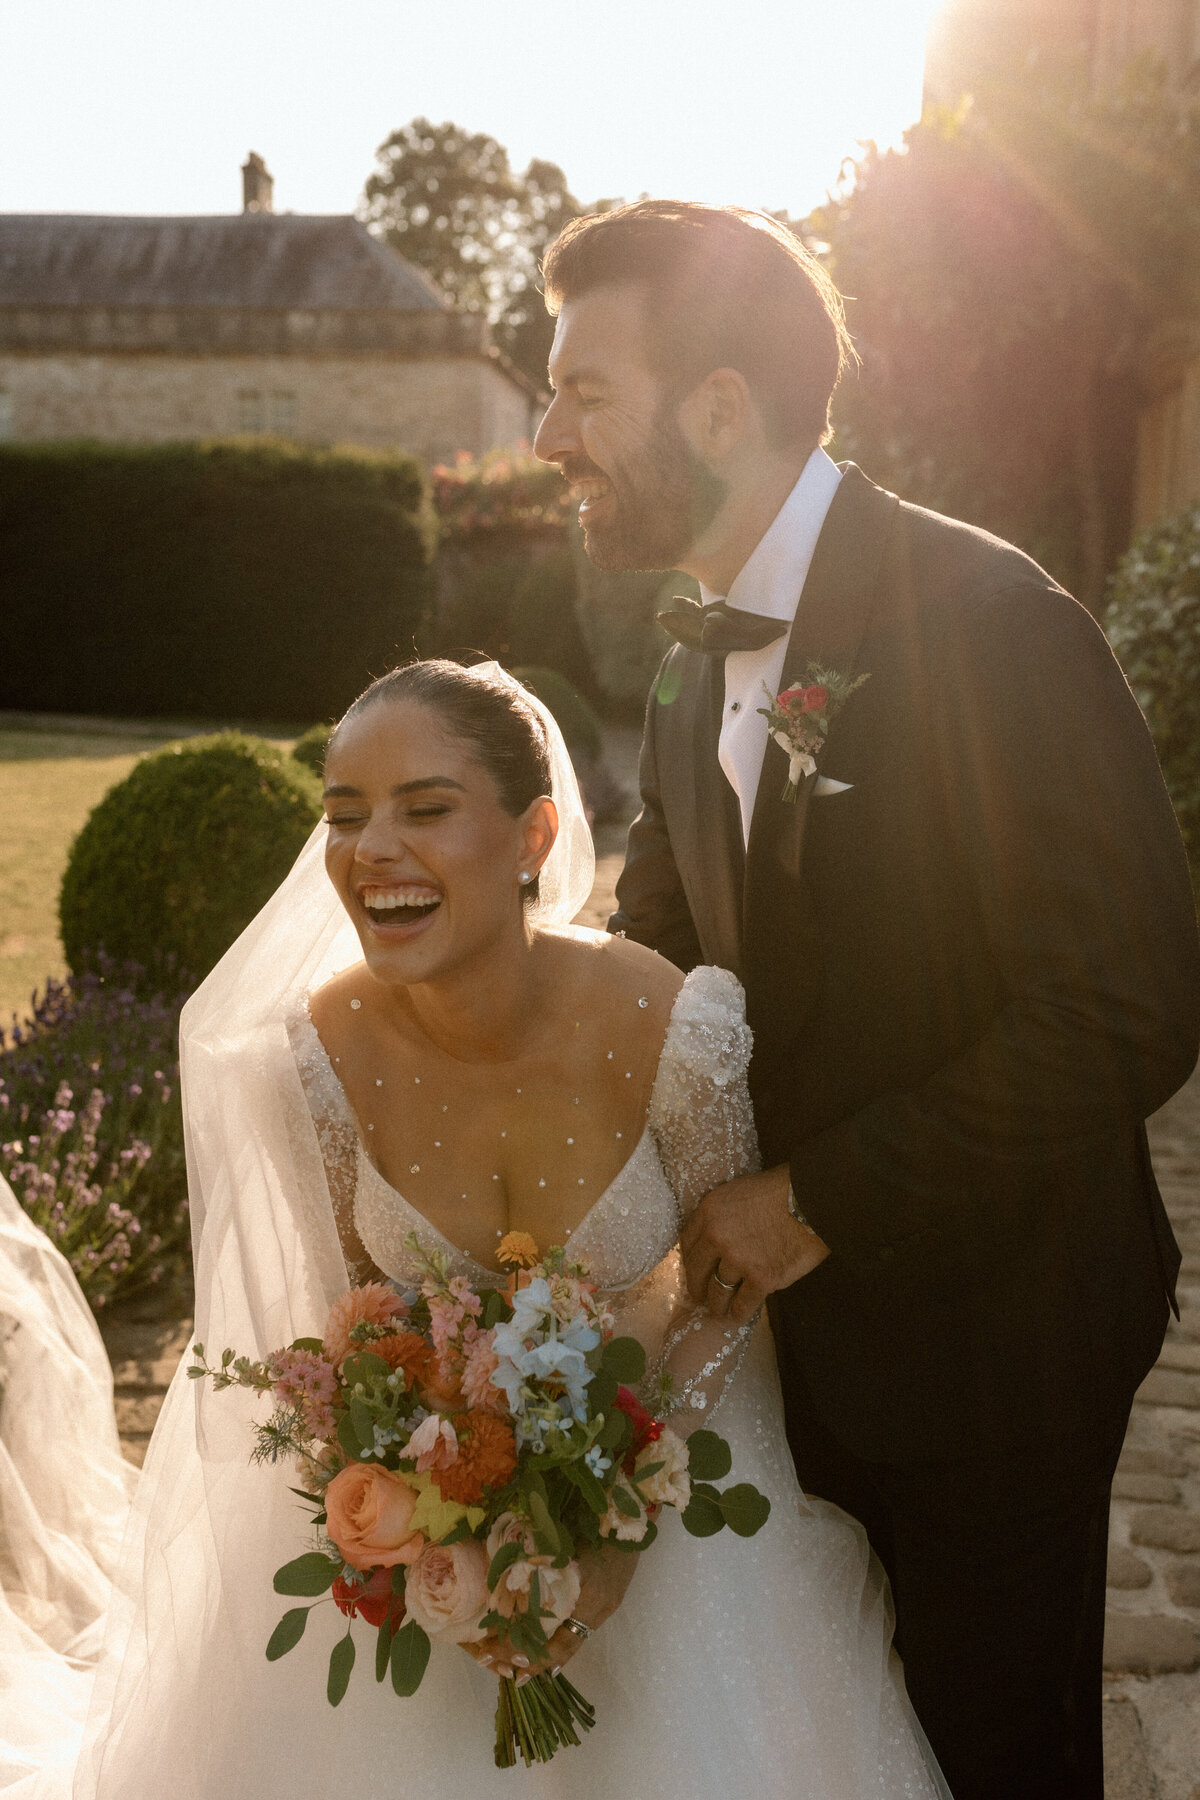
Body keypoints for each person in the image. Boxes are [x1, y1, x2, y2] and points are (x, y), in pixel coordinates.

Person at [2, 659, 949, 1799]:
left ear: (534, 834)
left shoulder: (670, 1022)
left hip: (679, 1502)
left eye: (427, 809)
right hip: (436, 1547)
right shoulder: (313, 1059)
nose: (371, 850)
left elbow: (722, 1299)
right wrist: (430, 1529)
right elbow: (348, 1333)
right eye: (344, 817)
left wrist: (614, 1523)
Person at [532, 200, 1200, 1800]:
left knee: (990, 1755)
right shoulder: (692, 652)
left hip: (997, 1345)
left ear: (715, 406)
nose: (547, 434)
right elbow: (665, 954)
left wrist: (816, 1201)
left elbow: (1130, 1001)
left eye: (582, 391)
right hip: (783, 1367)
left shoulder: (995, 627)